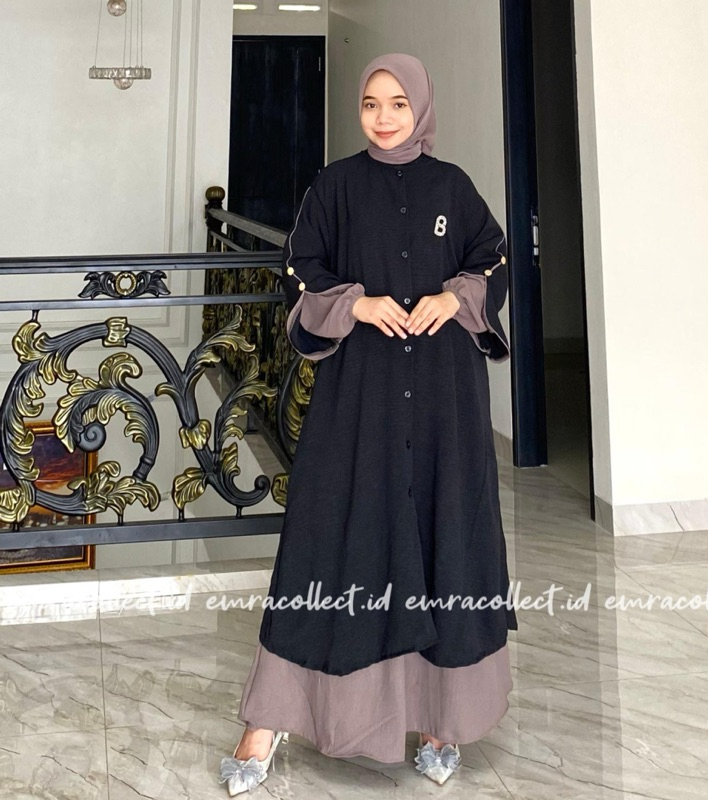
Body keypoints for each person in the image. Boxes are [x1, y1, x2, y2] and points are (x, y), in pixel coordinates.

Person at [219, 53, 516, 795]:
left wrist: (452, 298)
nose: (384, 117)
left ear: (421, 107)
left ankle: (442, 721)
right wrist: (356, 302)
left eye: (398, 104)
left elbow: (493, 258)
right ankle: (266, 721)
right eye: (371, 103)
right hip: (360, 396)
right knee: (329, 536)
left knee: (445, 536)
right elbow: (301, 264)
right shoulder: (336, 186)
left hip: (444, 398)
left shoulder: (453, 187)